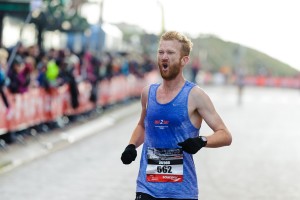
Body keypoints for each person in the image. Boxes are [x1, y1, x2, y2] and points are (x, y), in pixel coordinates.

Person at [121, 31, 232, 200]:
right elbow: (142, 126)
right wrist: (131, 146)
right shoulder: (147, 93)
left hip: (181, 192)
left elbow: (225, 135)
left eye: (171, 53)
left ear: (184, 60)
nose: (164, 57)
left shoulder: (195, 96)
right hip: (147, 188)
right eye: (161, 52)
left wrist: (202, 141)